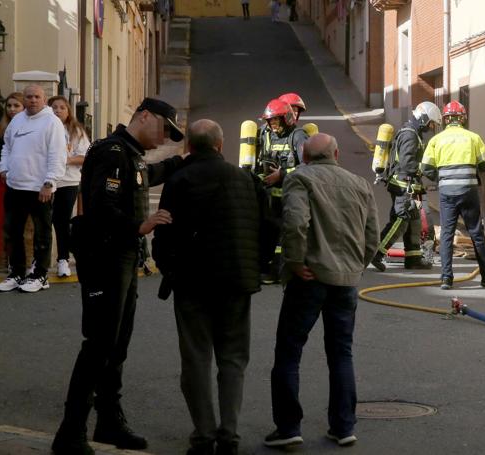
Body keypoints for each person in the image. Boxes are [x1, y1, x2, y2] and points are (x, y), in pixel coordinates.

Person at [52, 98, 185, 455]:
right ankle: (70, 433)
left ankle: (109, 423)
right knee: (98, 346)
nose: (165, 138)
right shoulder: (112, 152)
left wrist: (177, 163)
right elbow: (100, 205)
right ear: (144, 116)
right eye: (164, 129)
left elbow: (143, 178)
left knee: (116, 346)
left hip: (123, 259)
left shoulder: (130, 154)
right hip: (105, 258)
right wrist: (139, 225)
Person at [153, 119, 271, 455]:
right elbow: (267, 227)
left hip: (192, 282)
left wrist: (169, 268)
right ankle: (229, 434)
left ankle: (203, 435)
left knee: (196, 359)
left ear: (189, 146)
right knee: (233, 359)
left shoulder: (179, 179)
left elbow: (164, 230)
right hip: (236, 281)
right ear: (220, 146)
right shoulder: (246, 179)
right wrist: (257, 267)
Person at [264, 133, 379, 449]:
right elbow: (373, 236)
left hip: (309, 278)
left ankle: (288, 427)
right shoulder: (360, 184)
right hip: (346, 281)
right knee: (341, 352)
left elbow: (295, 223)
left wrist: (295, 260)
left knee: (289, 351)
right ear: (337, 153)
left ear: (304, 158)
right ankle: (343, 427)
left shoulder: (300, 179)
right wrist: (356, 266)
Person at [420, 100, 485, 290]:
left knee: (447, 235)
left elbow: (425, 167)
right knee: (476, 234)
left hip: (447, 192)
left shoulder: (436, 140)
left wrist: (439, 178)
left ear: (446, 120)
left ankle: (446, 279)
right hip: (468, 192)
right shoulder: (473, 138)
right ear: (463, 118)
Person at [0, 85, 66, 293]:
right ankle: (17, 273)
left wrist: (49, 183)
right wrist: (4, 168)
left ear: (43, 99)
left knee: (42, 234)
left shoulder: (51, 122)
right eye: (29, 97)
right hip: (15, 186)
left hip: (40, 189)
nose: (32, 100)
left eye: (37, 97)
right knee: (13, 232)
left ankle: (40, 275)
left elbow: (57, 154)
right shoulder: (17, 120)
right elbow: (6, 147)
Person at [371, 101, 441, 272]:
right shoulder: (410, 134)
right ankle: (376, 253)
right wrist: (426, 169)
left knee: (414, 221)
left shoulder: (412, 132)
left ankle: (413, 258)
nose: (431, 127)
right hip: (403, 186)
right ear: (423, 118)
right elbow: (407, 163)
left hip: (408, 185)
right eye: (431, 123)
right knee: (400, 220)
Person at [255, 98, 308, 284]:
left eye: (277, 121)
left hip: (291, 196)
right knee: (266, 232)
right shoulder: (264, 134)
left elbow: (307, 166)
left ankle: (278, 271)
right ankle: (264, 267)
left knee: (284, 235)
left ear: (287, 119)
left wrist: (283, 174)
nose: (274, 125)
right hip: (268, 197)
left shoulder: (298, 136)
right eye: (271, 121)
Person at [48, 96, 90, 277]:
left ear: (68, 111)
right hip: (45, 181)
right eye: (54, 107)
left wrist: (65, 159)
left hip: (68, 181)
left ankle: (63, 259)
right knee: (43, 221)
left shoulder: (76, 131)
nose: (57, 111)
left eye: (61, 107)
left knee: (61, 219)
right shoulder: (44, 128)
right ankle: (38, 260)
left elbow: (85, 156)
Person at [0, 91, 24, 269]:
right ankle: (3, 259)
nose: (12, 109)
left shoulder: (27, 126)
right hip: (2, 179)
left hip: (22, 181)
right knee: (3, 221)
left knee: (19, 223)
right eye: (9, 105)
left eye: (16, 105)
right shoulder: (2, 127)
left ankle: (19, 261)